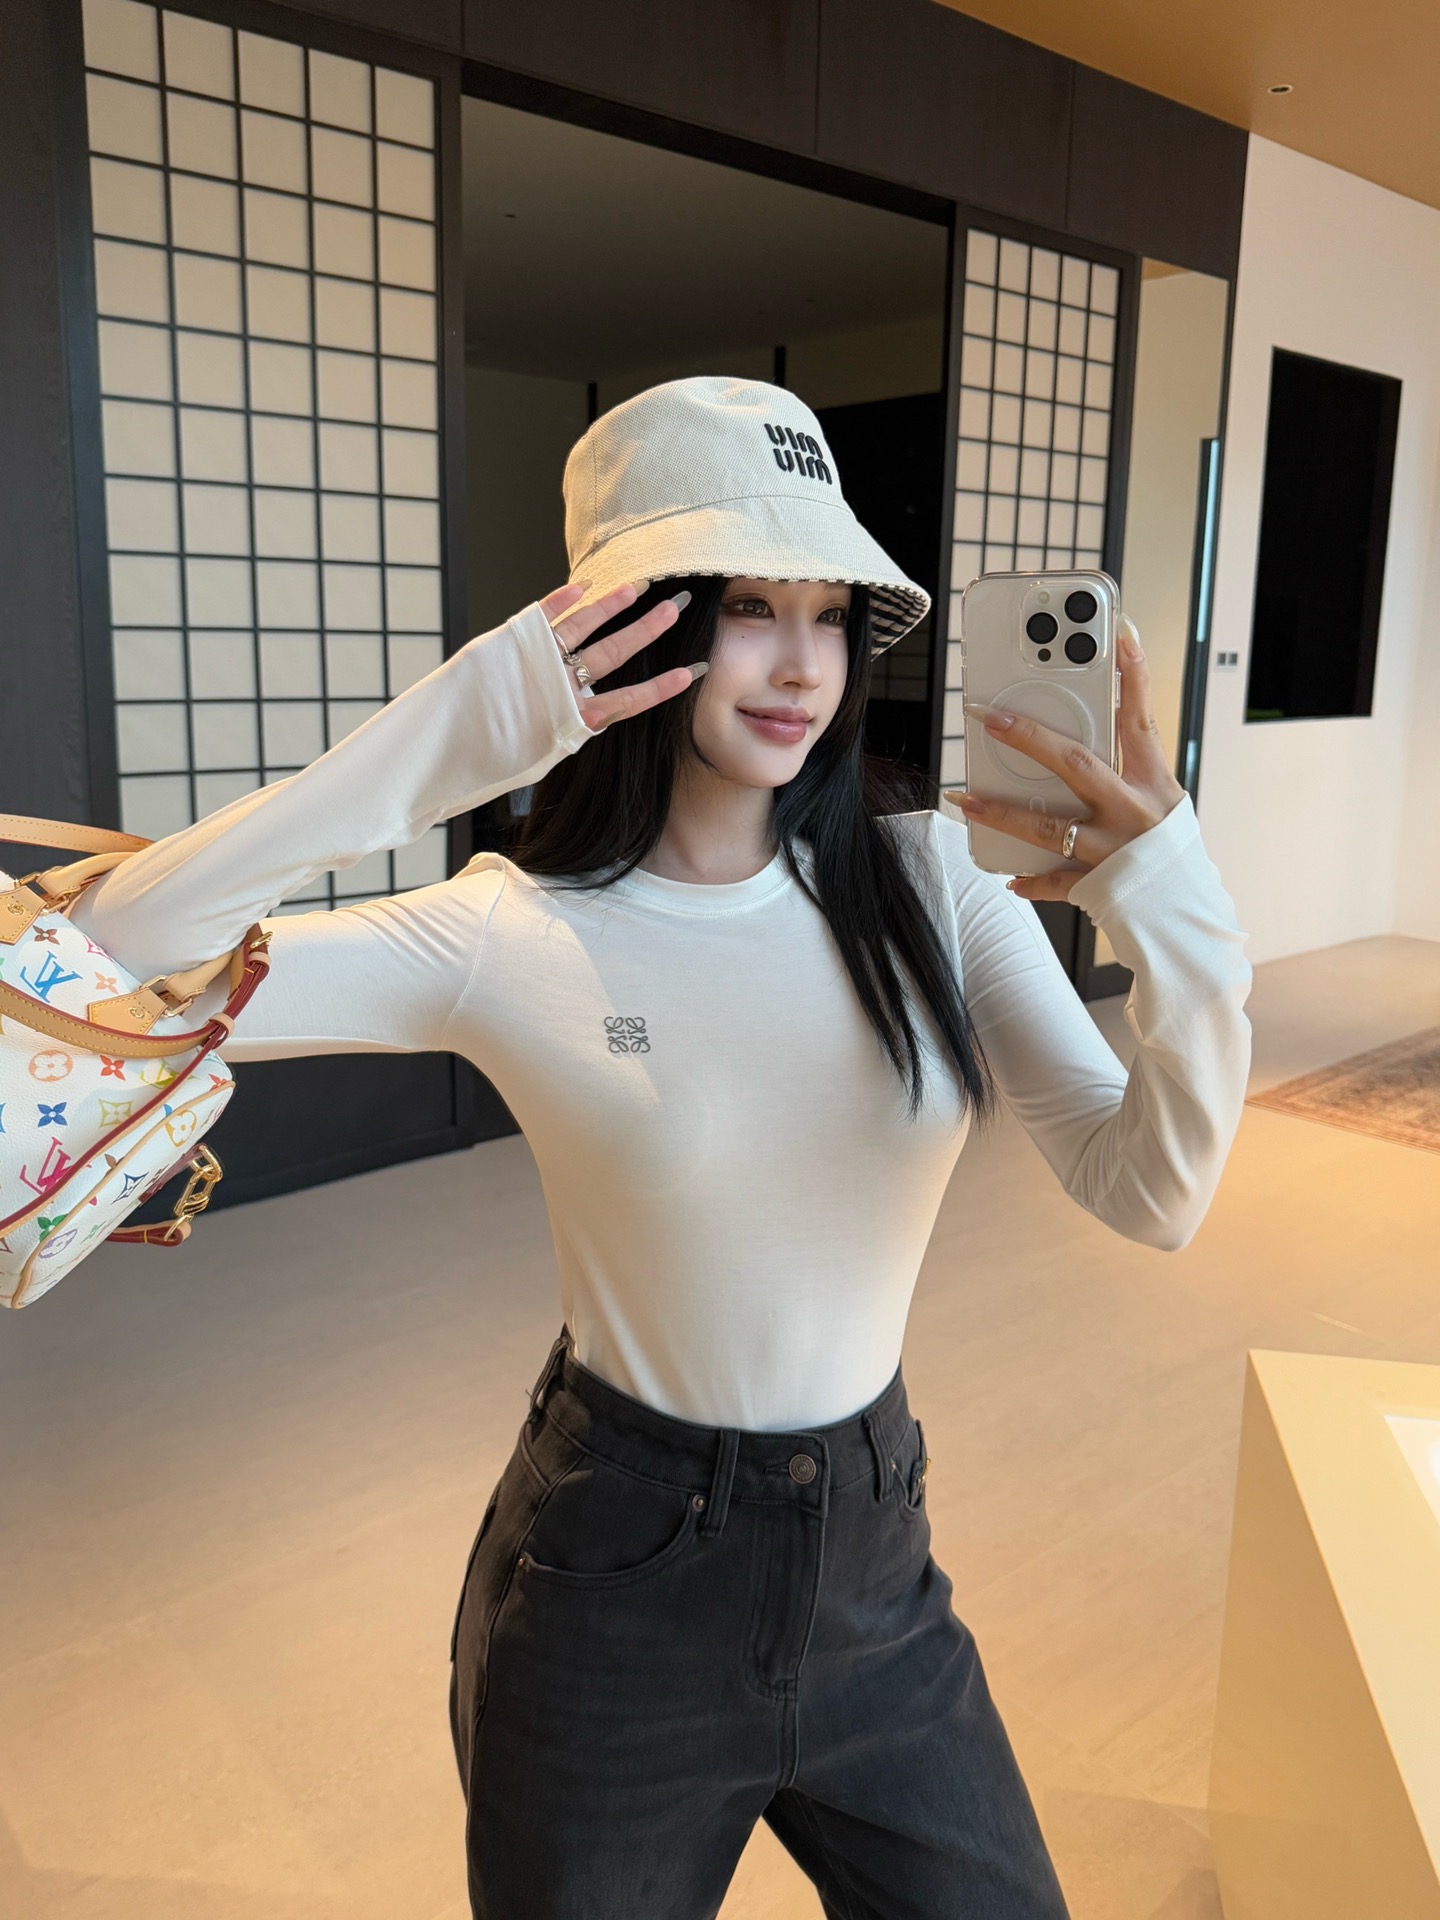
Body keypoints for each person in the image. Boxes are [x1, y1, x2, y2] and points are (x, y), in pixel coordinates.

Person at [75, 376, 1252, 1918]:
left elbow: (1154, 1192)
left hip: (876, 1568)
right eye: (750, 607)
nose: (803, 664)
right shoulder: (508, 932)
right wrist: (438, 744)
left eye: (830, 616)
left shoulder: (938, 884)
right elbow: (98, 966)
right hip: (613, 1590)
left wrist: (1171, 900)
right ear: (637, 625)